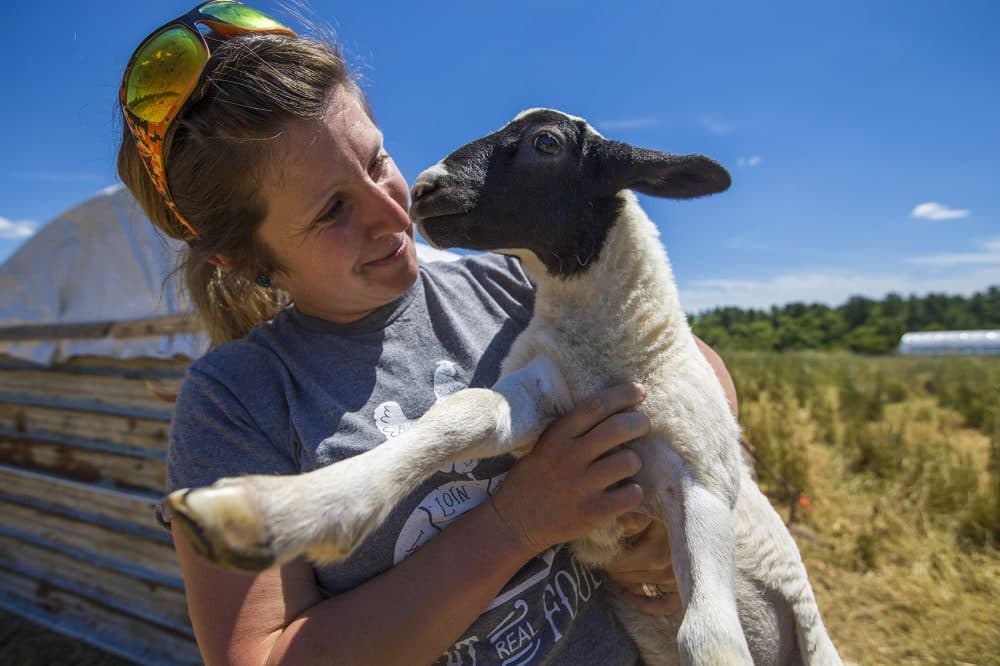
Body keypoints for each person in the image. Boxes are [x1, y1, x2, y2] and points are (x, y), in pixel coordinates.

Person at [117, 3, 739, 664]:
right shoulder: (236, 402)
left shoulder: (508, 283)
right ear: (243, 260)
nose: (394, 212)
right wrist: (516, 526)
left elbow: (697, 373)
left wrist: (654, 532)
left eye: (376, 159)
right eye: (333, 211)